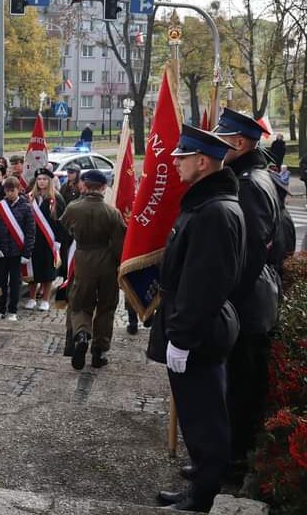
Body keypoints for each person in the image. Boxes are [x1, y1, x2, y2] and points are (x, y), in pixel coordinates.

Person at [150, 125, 244, 513]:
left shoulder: (213, 212)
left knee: (205, 417)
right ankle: (202, 479)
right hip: (194, 326)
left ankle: (202, 496)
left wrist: (183, 336)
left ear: (202, 162)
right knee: (197, 412)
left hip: (198, 332)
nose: (175, 164)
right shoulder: (207, 205)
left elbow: (202, 283)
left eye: (181, 158)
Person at [212, 109, 282, 481]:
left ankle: (231, 462)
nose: (216, 145)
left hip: (247, 303)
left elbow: (251, 250)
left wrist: (225, 297)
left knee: (239, 389)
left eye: (221, 139)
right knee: (239, 385)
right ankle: (228, 457)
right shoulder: (255, 175)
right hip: (253, 300)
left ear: (239, 143)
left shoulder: (250, 183)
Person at [59, 170, 126, 369]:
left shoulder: (73, 208)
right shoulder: (112, 212)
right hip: (107, 262)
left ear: (84, 186)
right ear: (104, 188)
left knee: (80, 303)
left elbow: (65, 226)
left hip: (83, 259)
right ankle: (99, 351)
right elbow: (119, 245)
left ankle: (81, 334)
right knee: (106, 307)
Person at [0, 176, 34, 321]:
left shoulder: (26, 207)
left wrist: (26, 253)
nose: (9, 193)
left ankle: (12, 311)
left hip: (17, 252)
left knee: (15, 283)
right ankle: (0, 309)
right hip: (1, 252)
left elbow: (30, 232)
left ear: (18, 190)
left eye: (12, 190)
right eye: (7, 191)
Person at [25, 168, 65, 312]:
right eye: (39, 179)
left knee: (47, 270)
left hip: (49, 240)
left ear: (50, 181)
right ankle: (31, 298)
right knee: (32, 269)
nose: (42, 182)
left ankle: (45, 299)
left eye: (45, 179)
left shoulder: (56, 198)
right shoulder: (29, 197)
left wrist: (58, 241)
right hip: (33, 240)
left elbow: (60, 221)